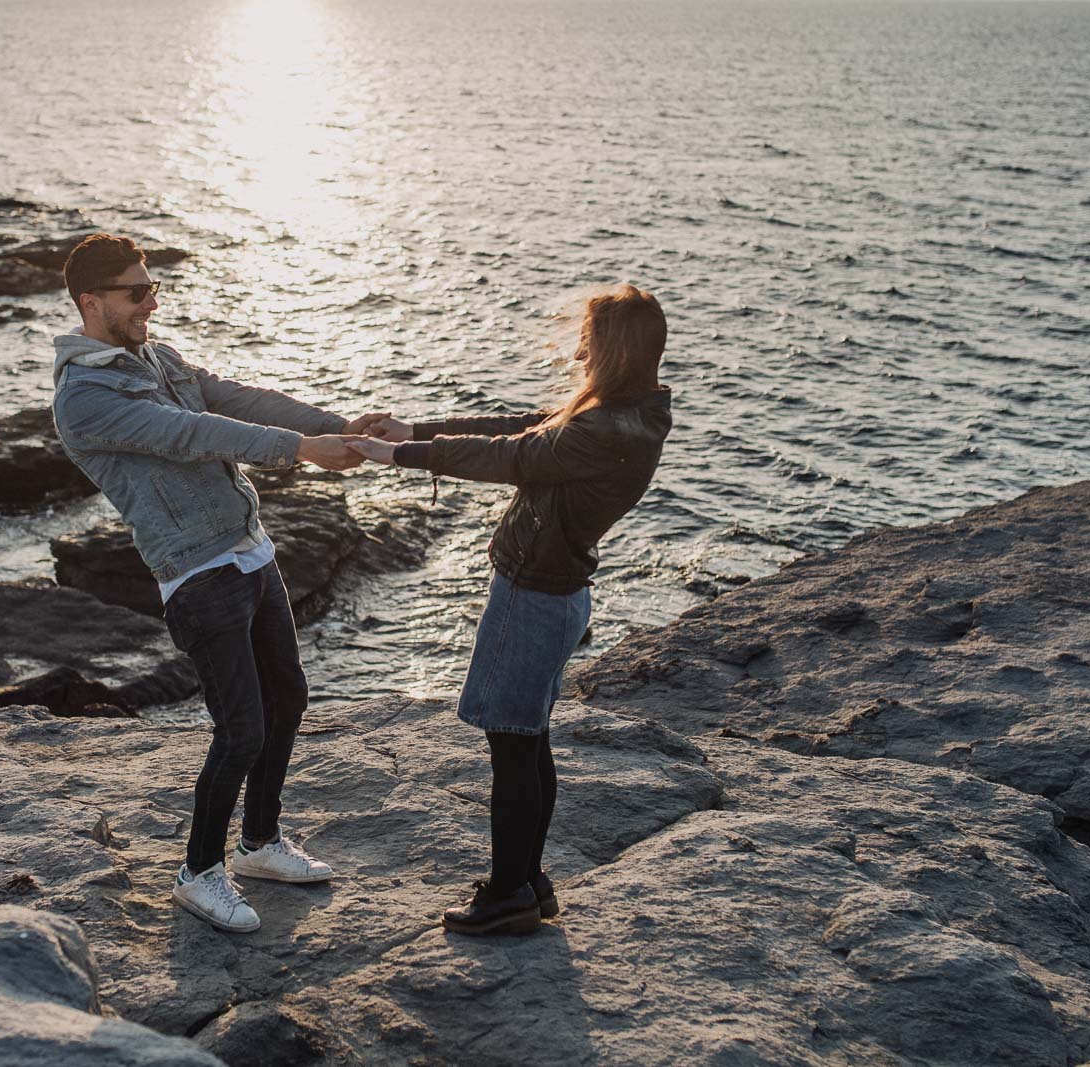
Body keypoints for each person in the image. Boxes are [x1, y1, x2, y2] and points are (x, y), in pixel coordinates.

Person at [51, 234, 386, 933]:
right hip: (197, 574)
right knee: (240, 729)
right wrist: (303, 451)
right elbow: (191, 433)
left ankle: (259, 843)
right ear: (91, 302)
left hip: (251, 553)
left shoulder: (159, 358)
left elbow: (238, 396)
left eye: (153, 289)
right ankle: (197, 871)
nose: (151, 301)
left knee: (288, 695)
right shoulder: (84, 397)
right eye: (136, 292)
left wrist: (336, 426)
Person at [348, 283, 672, 936]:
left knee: (513, 746)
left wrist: (400, 456)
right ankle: (528, 878)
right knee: (527, 739)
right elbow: (520, 433)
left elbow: (509, 456)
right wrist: (417, 429)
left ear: (610, 352)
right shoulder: (621, 416)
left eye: (590, 339)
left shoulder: (603, 431)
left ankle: (506, 892)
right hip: (556, 590)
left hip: (534, 595)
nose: (579, 349)